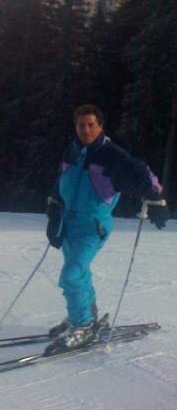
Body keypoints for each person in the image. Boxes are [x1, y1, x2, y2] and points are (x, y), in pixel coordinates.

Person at [46, 104, 169, 351]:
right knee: (80, 273)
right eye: (81, 125)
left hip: (93, 226)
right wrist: (53, 209)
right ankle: (84, 315)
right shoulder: (72, 151)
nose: (86, 129)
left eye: (91, 125)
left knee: (71, 275)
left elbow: (140, 171)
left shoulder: (112, 155)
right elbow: (61, 182)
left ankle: (82, 327)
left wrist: (156, 198)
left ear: (101, 127)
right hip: (68, 225)